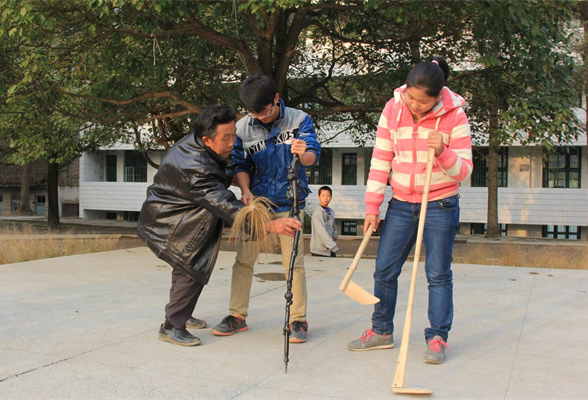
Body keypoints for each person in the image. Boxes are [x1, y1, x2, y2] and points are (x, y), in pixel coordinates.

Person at [137, 104, 302, 347]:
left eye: (234, 134)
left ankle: (179, 313)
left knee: (183, 268)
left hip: (171, 218)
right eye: (226, 138)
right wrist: (270, 226)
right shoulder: (197, 167)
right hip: (171, 224)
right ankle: (172, 326)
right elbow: (225, 206)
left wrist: (235, 179)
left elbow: (215, 173)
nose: (232, 142)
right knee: (189, 269)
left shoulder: (197, 145)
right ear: (207, 138)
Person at [347, 57, 473, 364]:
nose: (415, 106)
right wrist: (372, 207)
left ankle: (438, 338)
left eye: (423, 102)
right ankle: (381, 331)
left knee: (438, 274)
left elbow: (464, 171)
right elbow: (380, 161)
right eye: (411, 98)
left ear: (438, 96)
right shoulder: (393, 109)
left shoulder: (455, 117)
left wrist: (443, 151)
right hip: (402, 203)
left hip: (440, 203)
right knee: (385, 269)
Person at [211, 74, 321, 344]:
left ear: (276, 99)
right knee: (243, 260)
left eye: (263, 111)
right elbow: (241, 165)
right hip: (257, 203)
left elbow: (312, 157)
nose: (258, 117)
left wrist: (303, 150)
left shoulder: (298, 119)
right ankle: (236, 315)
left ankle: (298, 319)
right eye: (252, 112)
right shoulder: (242, 127)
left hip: (289, 201)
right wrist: (245, 191)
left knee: (293, 262)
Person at [310, 186, 338, 257]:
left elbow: (334, 228)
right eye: (323, 196)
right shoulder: (318, 212)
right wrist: (333, 245)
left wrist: (334, 237)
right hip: (319, 250)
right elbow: (321, 231)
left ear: (331, 197)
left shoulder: (331, 212)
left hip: (330, 249)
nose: (326, 198)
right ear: (319, 197)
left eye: (328, 196)